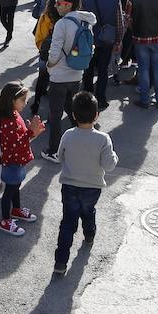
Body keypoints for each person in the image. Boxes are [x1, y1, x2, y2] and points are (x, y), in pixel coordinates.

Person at [52, 91, 119, 277]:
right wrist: (114, 155)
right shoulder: (103, 139)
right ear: (97, 115)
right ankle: (89, 234)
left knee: (67, 223)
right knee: (88, 211)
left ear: (73, 115)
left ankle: (60, 262)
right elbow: (109, 165)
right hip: (92, 186)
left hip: (69, 186)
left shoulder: (68, 134)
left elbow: (59, 157)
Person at [42, 0, 97, 162]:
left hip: (59, 76)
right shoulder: (86, 21)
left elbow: (55, 50)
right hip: (77, 73)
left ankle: (54, 151)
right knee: (74, 112)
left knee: (55, 115)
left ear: (69, 4)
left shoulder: (62, 24)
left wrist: (49, 65)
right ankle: (84, 143)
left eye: (59, 3)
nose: (56, 6)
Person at [0, 83, 43, 237]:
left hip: (17, 162)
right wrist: (31, 133)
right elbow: (16, 144)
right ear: (12, 100)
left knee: (15, 187)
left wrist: (32, 132)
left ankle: (16, 210)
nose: (25, 102)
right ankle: (5, 220)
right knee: (9, 191)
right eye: (22, 99)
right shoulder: (7, 120)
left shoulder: (14, 114)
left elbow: (21, 137)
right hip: (12, 163)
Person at [82, 0, 124, 108]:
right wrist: (118, 41)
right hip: (107, 39)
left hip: (89, 40)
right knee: (103, 70)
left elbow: (81, 22)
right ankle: (101, 98)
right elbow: (119, 22)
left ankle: (87, 98)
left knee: (88, 70)